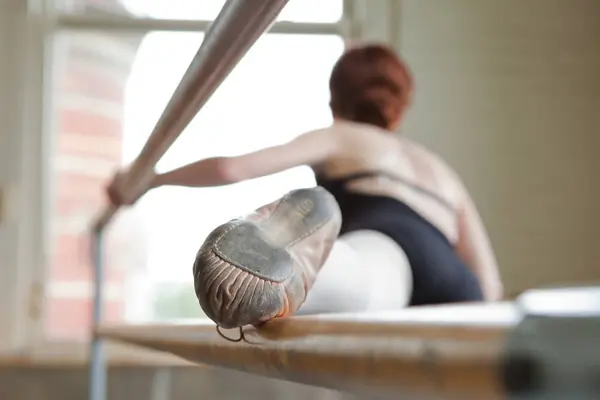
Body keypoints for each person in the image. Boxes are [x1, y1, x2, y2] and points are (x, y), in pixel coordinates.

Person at [107, 43, 503, 331]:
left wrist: (149, 181)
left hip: (388, 243)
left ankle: (290, 269)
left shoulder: (341, 135)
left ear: (335, 99)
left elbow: (232, 168)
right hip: (458, 288)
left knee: (366, 279)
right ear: (400, 106)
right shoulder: (440, 170)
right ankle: (287, 271)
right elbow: (490, 281)